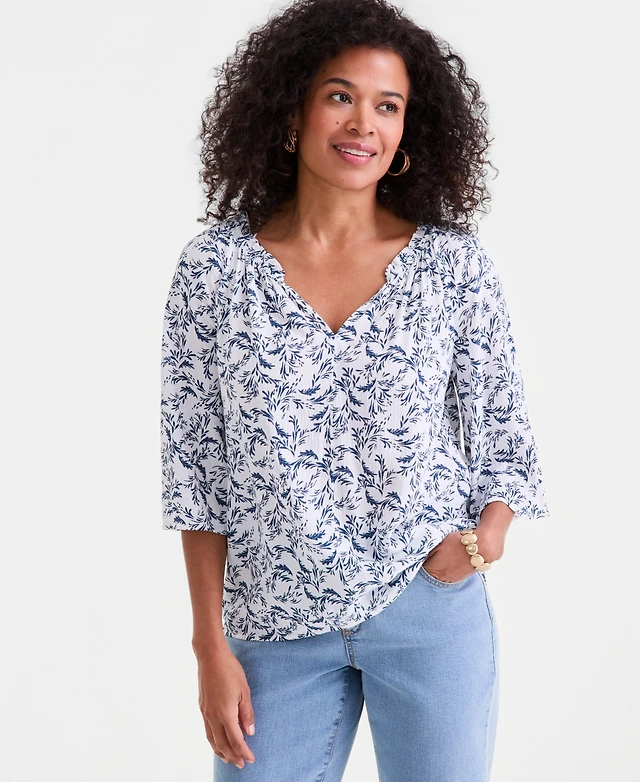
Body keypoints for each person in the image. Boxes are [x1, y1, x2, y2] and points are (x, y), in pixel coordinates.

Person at [160, 0, 550, 779]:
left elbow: (504, 434)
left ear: (408, 128)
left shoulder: (451, 266)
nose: (362, 123)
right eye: (340, 96)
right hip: (273, 623)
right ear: (291, 109)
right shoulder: (215, 270)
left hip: (427, 607)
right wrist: (209, 645)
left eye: (387, 105)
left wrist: (480, 543)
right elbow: (196, 475)